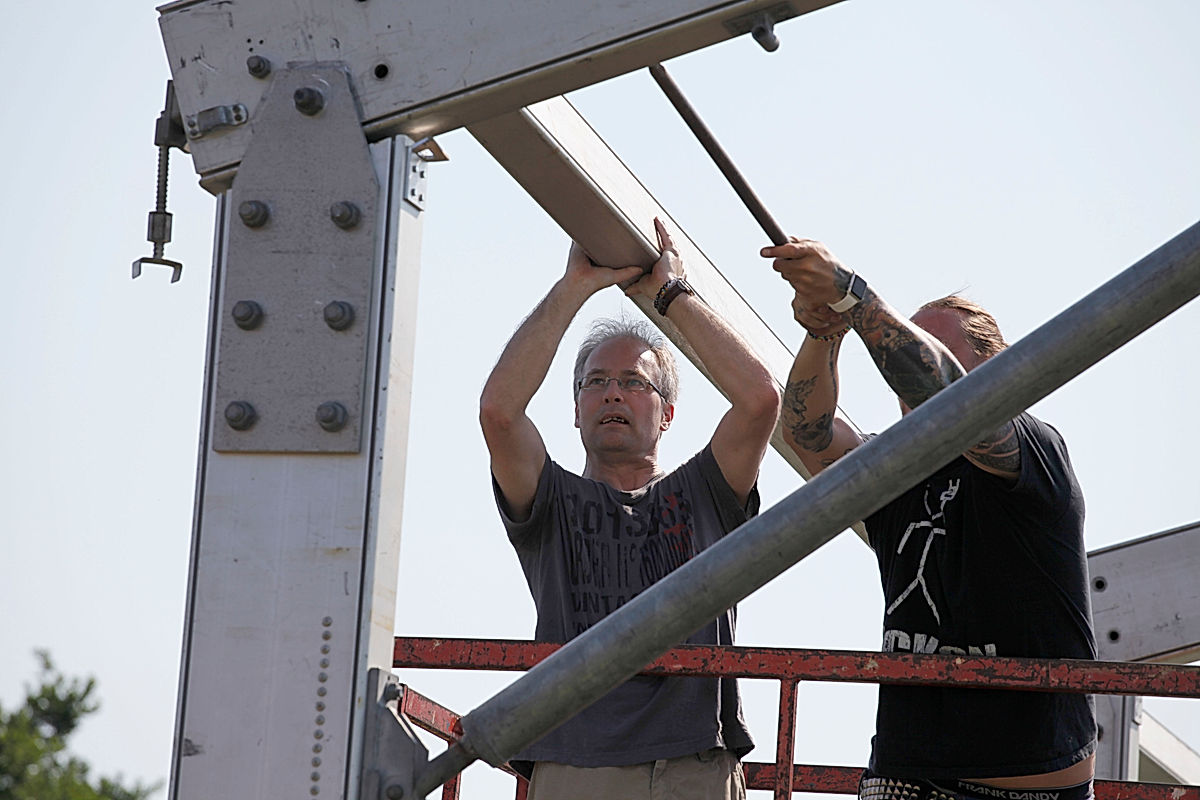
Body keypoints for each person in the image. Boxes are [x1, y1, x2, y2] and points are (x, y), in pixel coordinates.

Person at [763, 238, 1097, 800]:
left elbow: (956, 404)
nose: (901, 364)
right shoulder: (894, 465)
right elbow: (809, 434)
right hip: (905, 777)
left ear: (995, 369)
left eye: (924, 347)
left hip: (1026, 788)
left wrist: (856, 298)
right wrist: (823, 334)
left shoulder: (1033, 452)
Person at [478, 218, 781, 800]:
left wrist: (670, 298)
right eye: (596, 382)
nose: (612, 393)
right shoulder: (550, 501)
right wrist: (574, 287)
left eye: (633, 382)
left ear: (667, 414)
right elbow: (500, 411)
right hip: (575, 761)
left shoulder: (706, 493)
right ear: (575, 410)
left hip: (695, 760)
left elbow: (759, 399)